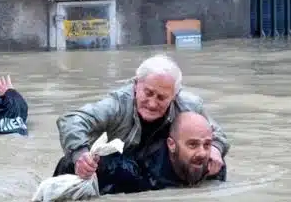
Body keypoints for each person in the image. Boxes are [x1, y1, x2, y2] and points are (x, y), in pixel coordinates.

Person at [54, 54, 230, 180]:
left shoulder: (189, 105)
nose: (152, 104)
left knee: (215, 166)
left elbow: (218, 134)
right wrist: (81, 156)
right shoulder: (117, 104)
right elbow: (71, 120)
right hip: (122, 163)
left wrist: (215, 148)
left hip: (157, 165)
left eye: (161, 98)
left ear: (174, 96)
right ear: (136, 85)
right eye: (148, 93)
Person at [90, 111, 227, 195]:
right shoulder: (141, 173)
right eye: (193, 145)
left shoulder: (214, 166)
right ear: (171, 145)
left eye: (207, 144)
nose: (202, 153)